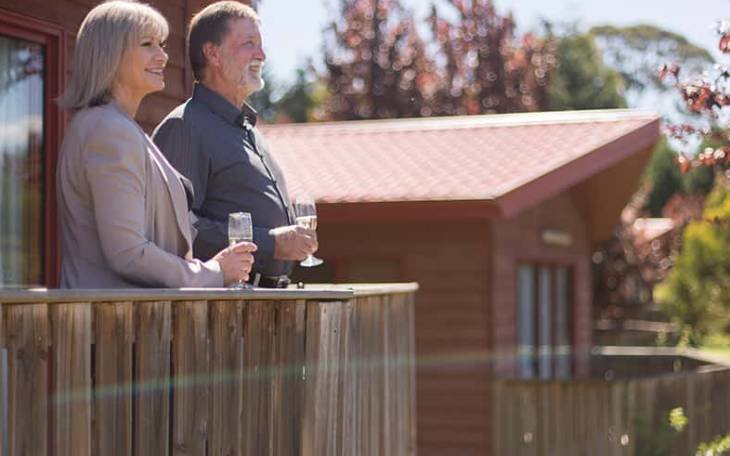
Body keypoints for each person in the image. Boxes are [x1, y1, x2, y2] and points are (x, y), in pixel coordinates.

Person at [56, 0, 256, 288]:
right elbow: (128, 254)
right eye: (147, 44)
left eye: (161, 44)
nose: (163, 56)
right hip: (114, 313)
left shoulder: (110, 126)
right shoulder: (109, 130)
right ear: (110, 52)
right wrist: (213, 272)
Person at [152, 1, 316, 289]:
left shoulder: (249, 130)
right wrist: (271, 243)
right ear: (213, 53)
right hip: (224, 306)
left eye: (260, 45)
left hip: (262, 299)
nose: (261, 55)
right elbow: (175, 229)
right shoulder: (185, 126)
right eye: (249, 44)